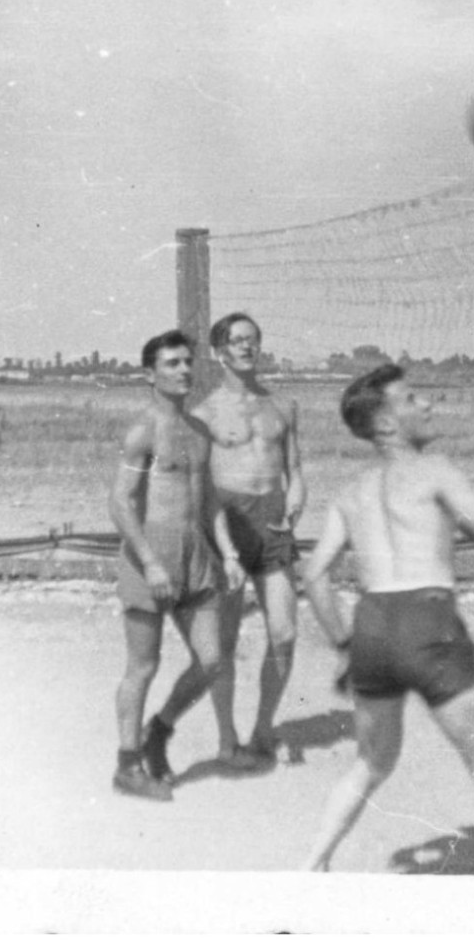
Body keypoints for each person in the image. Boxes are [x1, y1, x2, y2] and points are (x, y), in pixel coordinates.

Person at [300, 364, 474, 875]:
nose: (426, 405)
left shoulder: (351, 492)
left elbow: (314, 575)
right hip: (427, 619)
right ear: (384, 424)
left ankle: (310, 867)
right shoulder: (436, 469)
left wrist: (343, 644)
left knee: (372, 761)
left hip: (371, 627)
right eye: (411, 399)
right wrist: (456, 526)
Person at [108, 329, 244, 801]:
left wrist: (226, 553)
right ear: (150, 374)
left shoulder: (200, 432)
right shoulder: (143, 429)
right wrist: (151, 563)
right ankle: (127, 765)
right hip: (151, 558)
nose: (184, 371)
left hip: (196, 557)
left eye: (188, 362)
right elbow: (122, 503)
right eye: (171, 364)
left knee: (212, 660)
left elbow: (209, 504)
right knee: (143, 665)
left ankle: (159, 731)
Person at [193, 312, 306, 769]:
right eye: (236, 341)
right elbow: (200, 488)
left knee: (285, 633)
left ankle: (263, 726)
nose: (245, 347)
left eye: (252, 340)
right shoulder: (204, 414)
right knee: (224, 638)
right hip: (229, 525)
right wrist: (225, 549)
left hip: (274, 523)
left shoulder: (282, 406)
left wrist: (296, 502)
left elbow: (295, 471)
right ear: (220, 351)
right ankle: (226, 735)